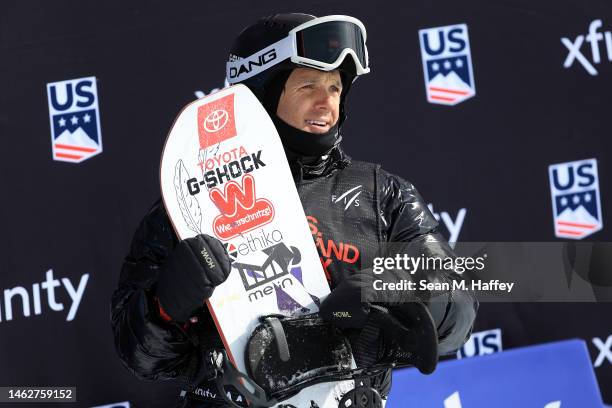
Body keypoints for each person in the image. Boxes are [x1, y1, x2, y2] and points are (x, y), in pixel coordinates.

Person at [111, 13, 477, 408]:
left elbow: (459, 312)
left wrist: (397, 292)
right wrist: (162, 306)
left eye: (335, 88)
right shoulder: (184, 207)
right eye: (308, 85)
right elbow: (140, 357)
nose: (326, 103)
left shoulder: (384, 196)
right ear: (260, 94)